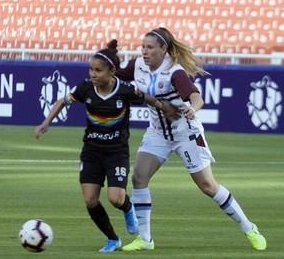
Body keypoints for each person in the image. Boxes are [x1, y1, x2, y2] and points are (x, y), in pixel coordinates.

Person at [115, 27, 267, 251]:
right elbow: (114, 76)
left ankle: (249, 227)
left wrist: (192, 109)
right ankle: (145, 240)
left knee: (207, 186)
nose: (144, 52)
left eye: (150, 48)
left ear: (163, 49)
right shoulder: (136, 66)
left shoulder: (174, 72)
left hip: (185, 132)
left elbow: (196, 97)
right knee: (139, 177)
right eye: (142, 47)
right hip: (158, 132)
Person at [35, 39, 180, 253]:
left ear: (112, 71)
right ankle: (113, 239)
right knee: (90, 200)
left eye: (98, 71)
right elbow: (61, 102)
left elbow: (146, 97)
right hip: (91, 151)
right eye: (91, 70)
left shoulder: (125, 90)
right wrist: (46, 122)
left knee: (115, 198)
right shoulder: (85, 88)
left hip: (116, 152)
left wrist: (163, 106)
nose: (93, 74)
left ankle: (127, 207)